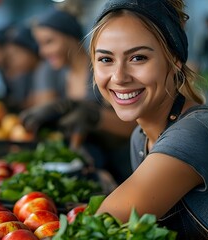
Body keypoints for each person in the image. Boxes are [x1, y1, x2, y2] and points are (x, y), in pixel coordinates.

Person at [90, 0, 208, 239]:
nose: (119, 76)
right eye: (106, 59)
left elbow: (98, 229)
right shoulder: (141, 138)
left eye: (138, 58)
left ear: (174, 60)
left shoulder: (196, 132)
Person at [21, 8, 137, 183]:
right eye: (40, 44)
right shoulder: (55, 72)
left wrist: (93, 115)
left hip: (123, 166)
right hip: (88, 168)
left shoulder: (103, 70)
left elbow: (132, 127)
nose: (42, 52)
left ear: (71, 36)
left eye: (49, 42)